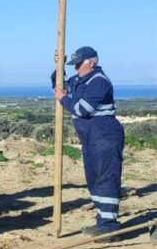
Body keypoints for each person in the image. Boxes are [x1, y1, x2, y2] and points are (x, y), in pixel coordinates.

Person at [52, 46, 125, 237]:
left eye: (78, 64)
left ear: (91, 63)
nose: (76, 68)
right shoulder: (80, 80)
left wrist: (63, 99)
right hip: (91, 139)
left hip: (105, 137)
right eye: (74, 65)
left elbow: (82, 109)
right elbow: (60, 86)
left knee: (106, 179)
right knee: (94, 180)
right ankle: (103, 222)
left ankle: (109, 227)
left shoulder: (99, 82)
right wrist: (59, 67)